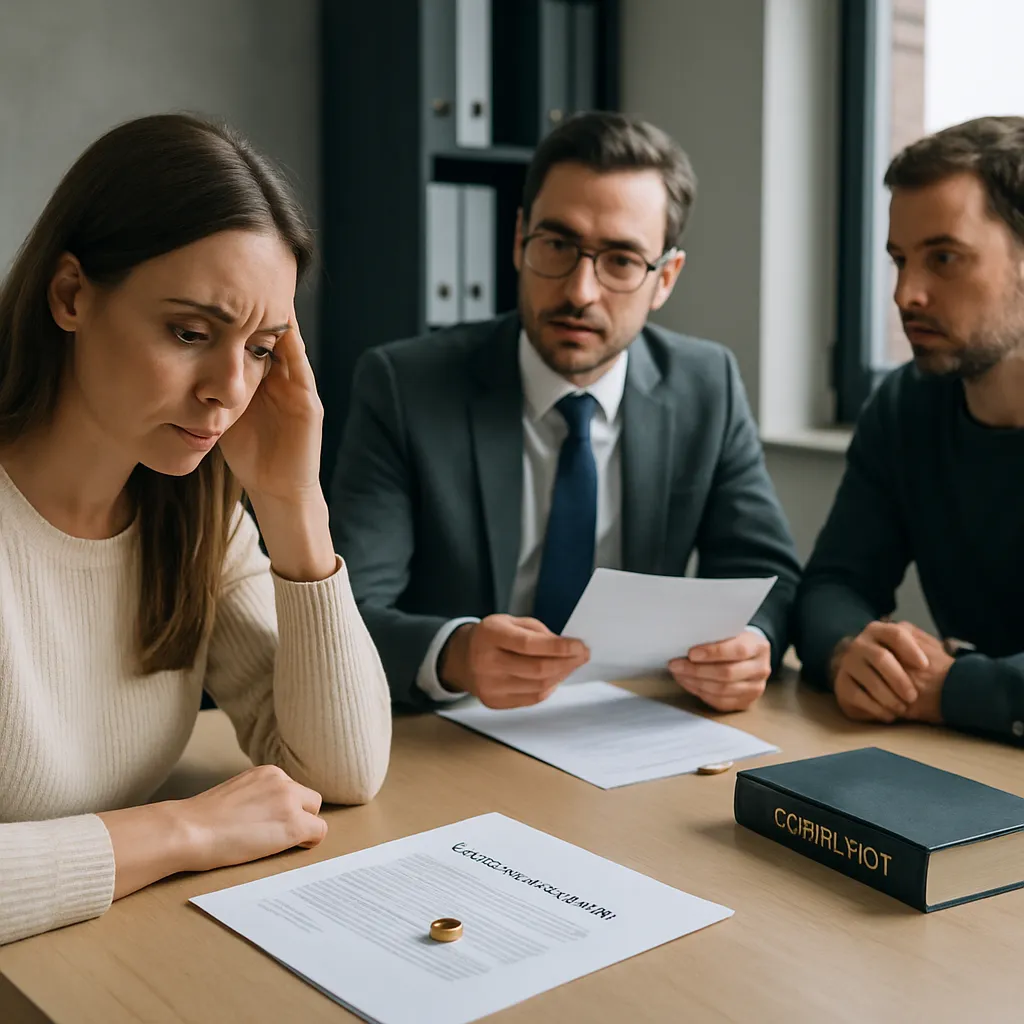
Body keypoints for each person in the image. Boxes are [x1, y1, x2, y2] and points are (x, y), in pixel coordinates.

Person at [0, 114, 392, 946]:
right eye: (191, 333)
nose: (229, 389)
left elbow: (342, 770)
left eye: (262, 348)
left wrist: (293, 503)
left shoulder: (197, 517)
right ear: (71, 295)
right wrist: (182, 830)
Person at [331, 111, 800, 713]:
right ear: (519, 239)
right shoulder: (405, 386)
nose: (580, 291)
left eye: (621, 261)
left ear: (665, 278)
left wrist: (752, 643)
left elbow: (767, 572)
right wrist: (455, 654)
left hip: (629, 718)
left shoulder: (706, 385)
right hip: (452, 725)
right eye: (557, 245)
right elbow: (346, 610)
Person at [795, 116, 1024, 745]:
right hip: (966, 761)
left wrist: (951, 689)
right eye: (900, 260)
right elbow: (833, 585)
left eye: (943, 258)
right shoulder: (905, 406)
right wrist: (851, 653)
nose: (905, 295)